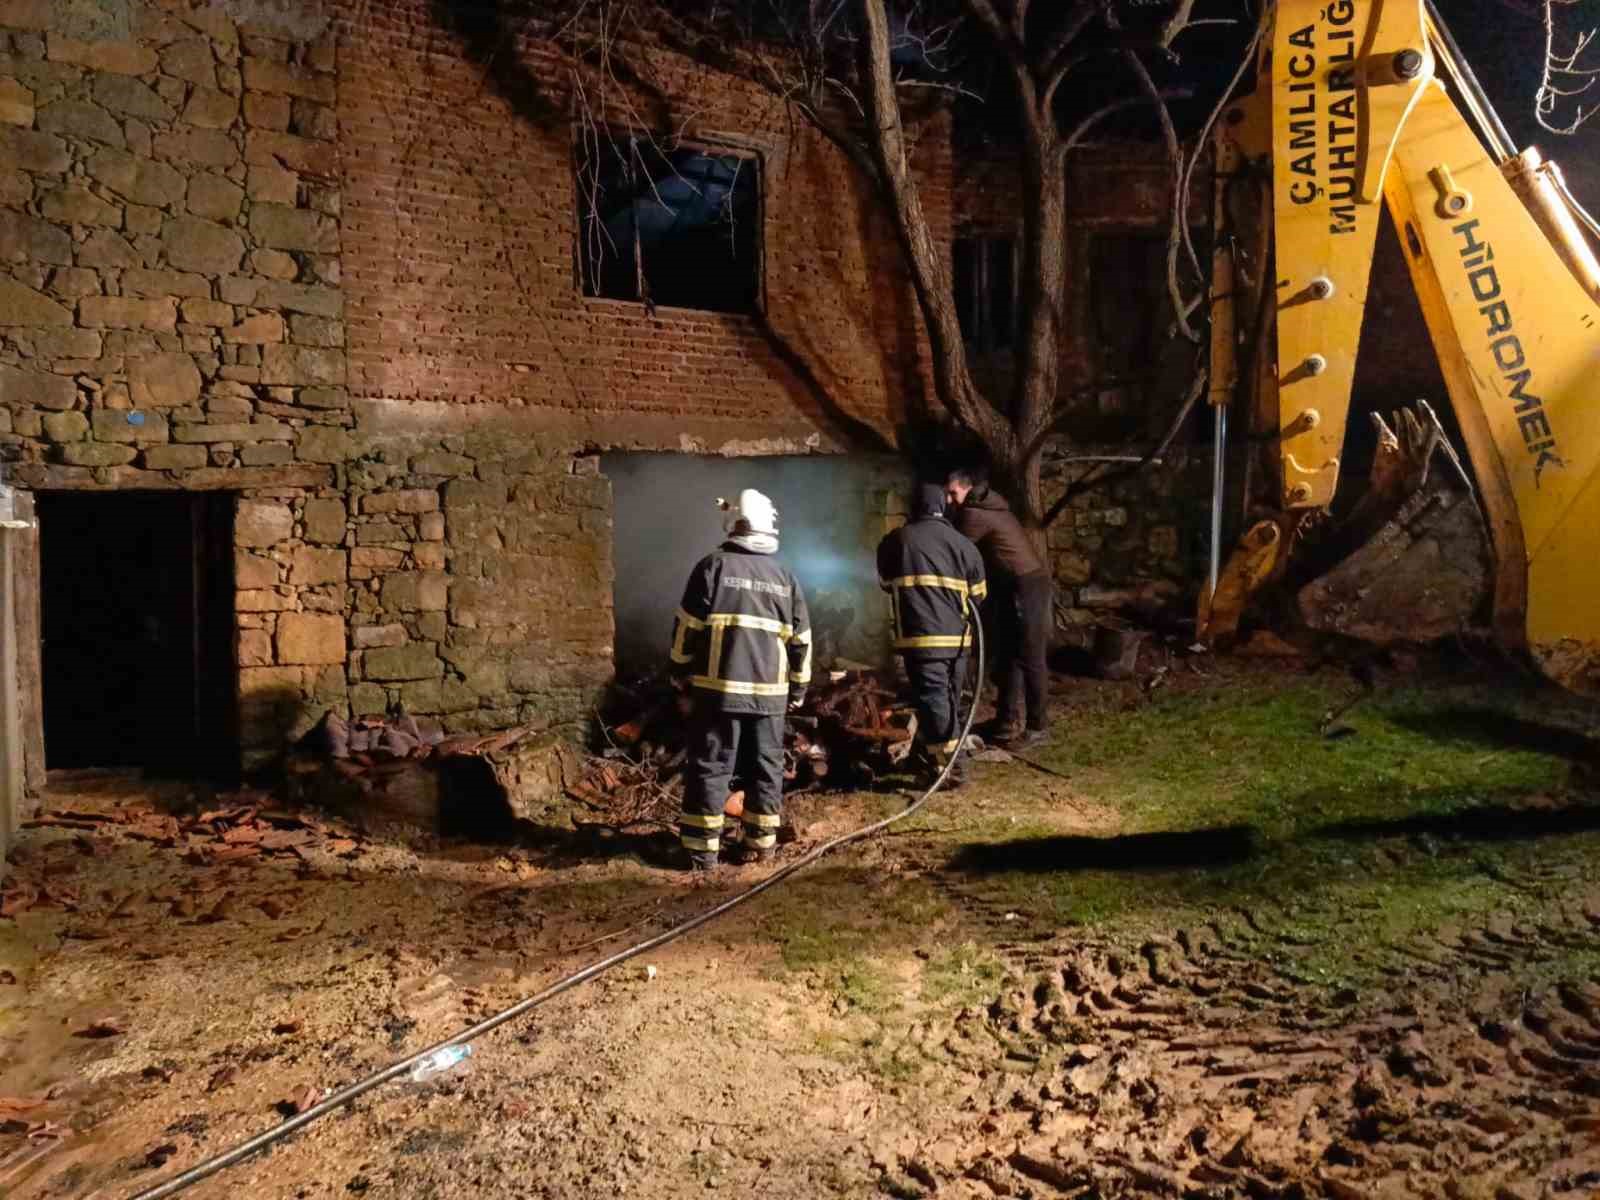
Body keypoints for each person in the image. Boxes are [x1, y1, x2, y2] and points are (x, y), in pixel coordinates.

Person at [668, 488, 812, 871]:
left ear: (734, 524)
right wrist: (797, 689)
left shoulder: (712, 568)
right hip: (770, 696)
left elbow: (686, 630)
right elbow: (802, 642)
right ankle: (760, 845)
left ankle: (702, 851)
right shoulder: (786, 577)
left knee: (712, 766)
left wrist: (679, 671)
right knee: (765, 767)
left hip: (720, 692)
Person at [876, 482, 987, 787]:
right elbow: (978, 596)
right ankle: (939, 757)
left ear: (914, 507)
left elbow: (885, 581)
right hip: (959, 641)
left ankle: (953, 769)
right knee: (949, 699)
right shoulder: (965, 545)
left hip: (921, 639)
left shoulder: (897, 541)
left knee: (934, 700)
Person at [945, 467, 1051, 748]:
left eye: (953, 493)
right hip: (1016, 585)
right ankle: (1006, 722)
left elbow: (957, 551)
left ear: (966, 489)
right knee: (1010, 656)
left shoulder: (974, 513)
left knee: (1030, 655)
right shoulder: (988, 504)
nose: (950, 499)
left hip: (1026, 586)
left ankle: (1038, 727)